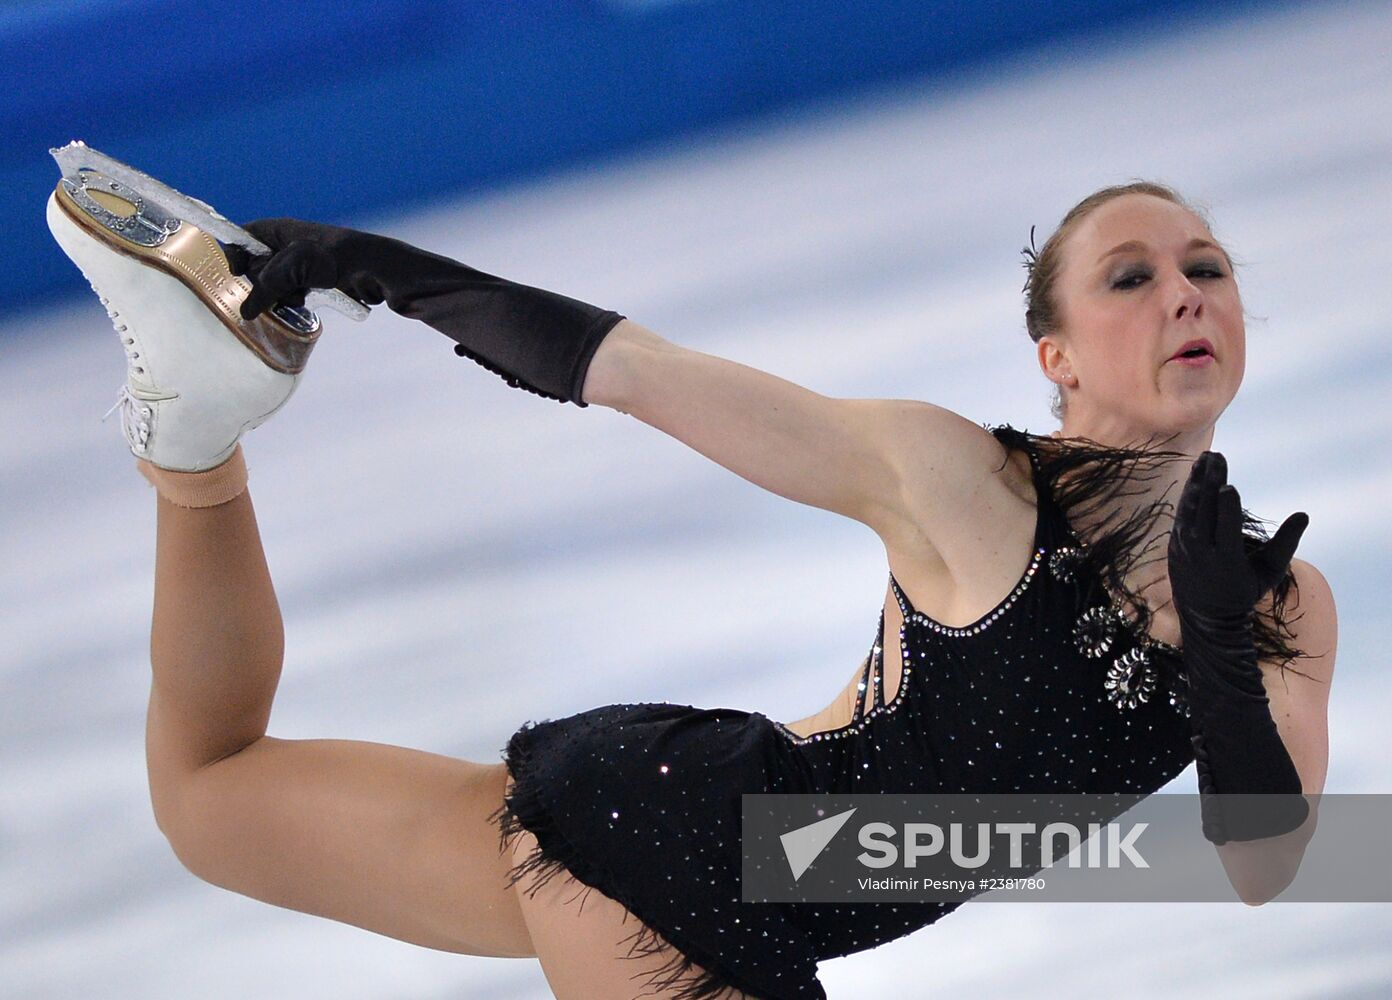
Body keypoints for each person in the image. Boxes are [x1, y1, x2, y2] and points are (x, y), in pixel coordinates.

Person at [46, 177, 1337, 999]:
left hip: (704, 842)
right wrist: (385, 266)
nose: (1184, 295)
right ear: (1056, 356)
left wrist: (1219, 646)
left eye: (1207, 268)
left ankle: (192, 444)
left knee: (208, 798)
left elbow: (1263, 866)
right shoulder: (960, 482)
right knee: (208, 800)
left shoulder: (1284, 607)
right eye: (1132, 278)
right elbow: (642, 372)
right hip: (696, 855)